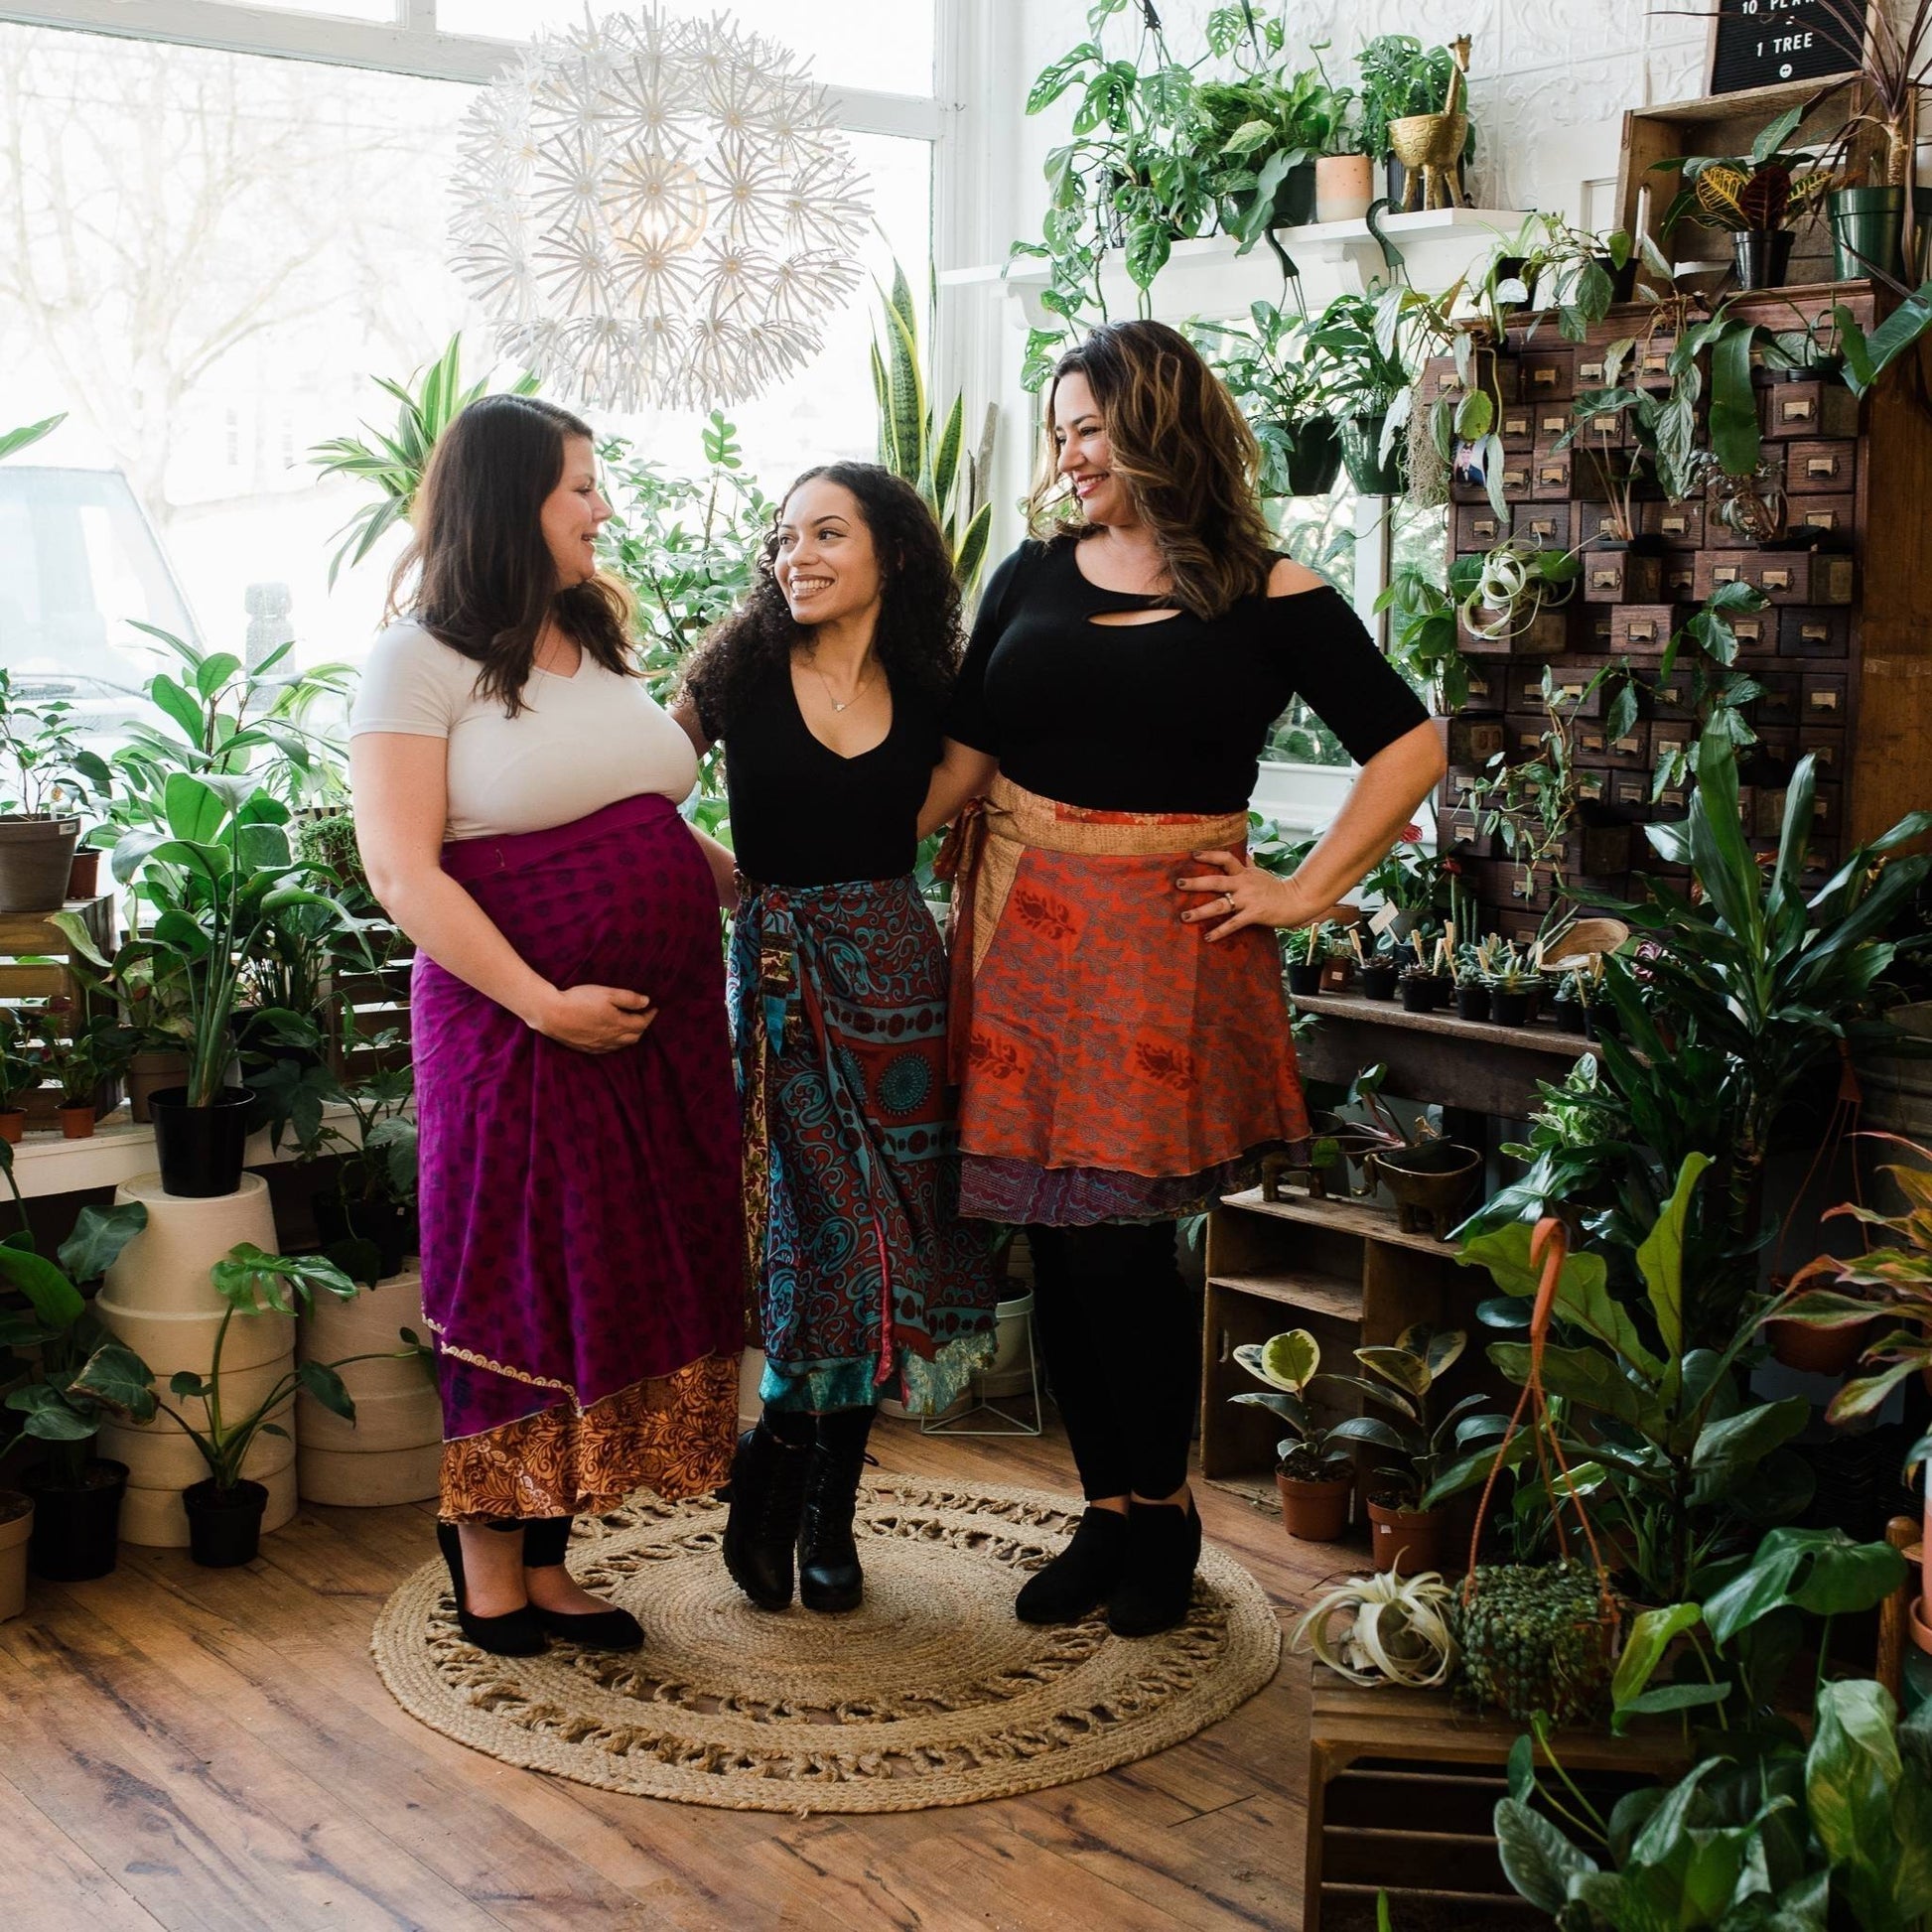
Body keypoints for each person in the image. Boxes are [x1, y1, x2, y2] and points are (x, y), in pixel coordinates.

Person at [921, 320, 1446, 1638]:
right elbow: (965, 756)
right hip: (1022, 935)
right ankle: (1102, 1513)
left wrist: (1300, 889)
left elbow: (1407, 743)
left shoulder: (1264, 589)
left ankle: (1163, 1512)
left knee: (1123, 1247)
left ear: (1157, 423)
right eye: (1059, 431)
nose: (1068, 452)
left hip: (1165, 954)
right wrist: (833, 830)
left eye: (1088, 426)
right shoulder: (1032, 571)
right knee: (1051, 1233)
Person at [349, 395, 744, 1657]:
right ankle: (484, 1557)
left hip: (657, 1027)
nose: (603, 508)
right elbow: (404, 874)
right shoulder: (414, 660)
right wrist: (543, 1002)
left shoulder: (588, 630)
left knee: (612, 1267)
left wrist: (752, 876)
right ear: (509, 500)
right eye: (581, 485)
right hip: (510, 1022)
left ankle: (554, 1553)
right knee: (517, 1269)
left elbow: (634, 805)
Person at [675, 463, 1004, 1615]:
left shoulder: (933, 684)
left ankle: (822, 1504)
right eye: (784, 536)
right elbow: (640, 789)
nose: (795, 554)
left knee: (886, 1240)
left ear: (892, 553)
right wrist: (735, 881)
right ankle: (776, 1477)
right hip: (777, 981)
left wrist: (871, 847)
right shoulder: (736, 672)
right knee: (825, 1236)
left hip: (898, 979)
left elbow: (957, 787)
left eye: (827, 532)